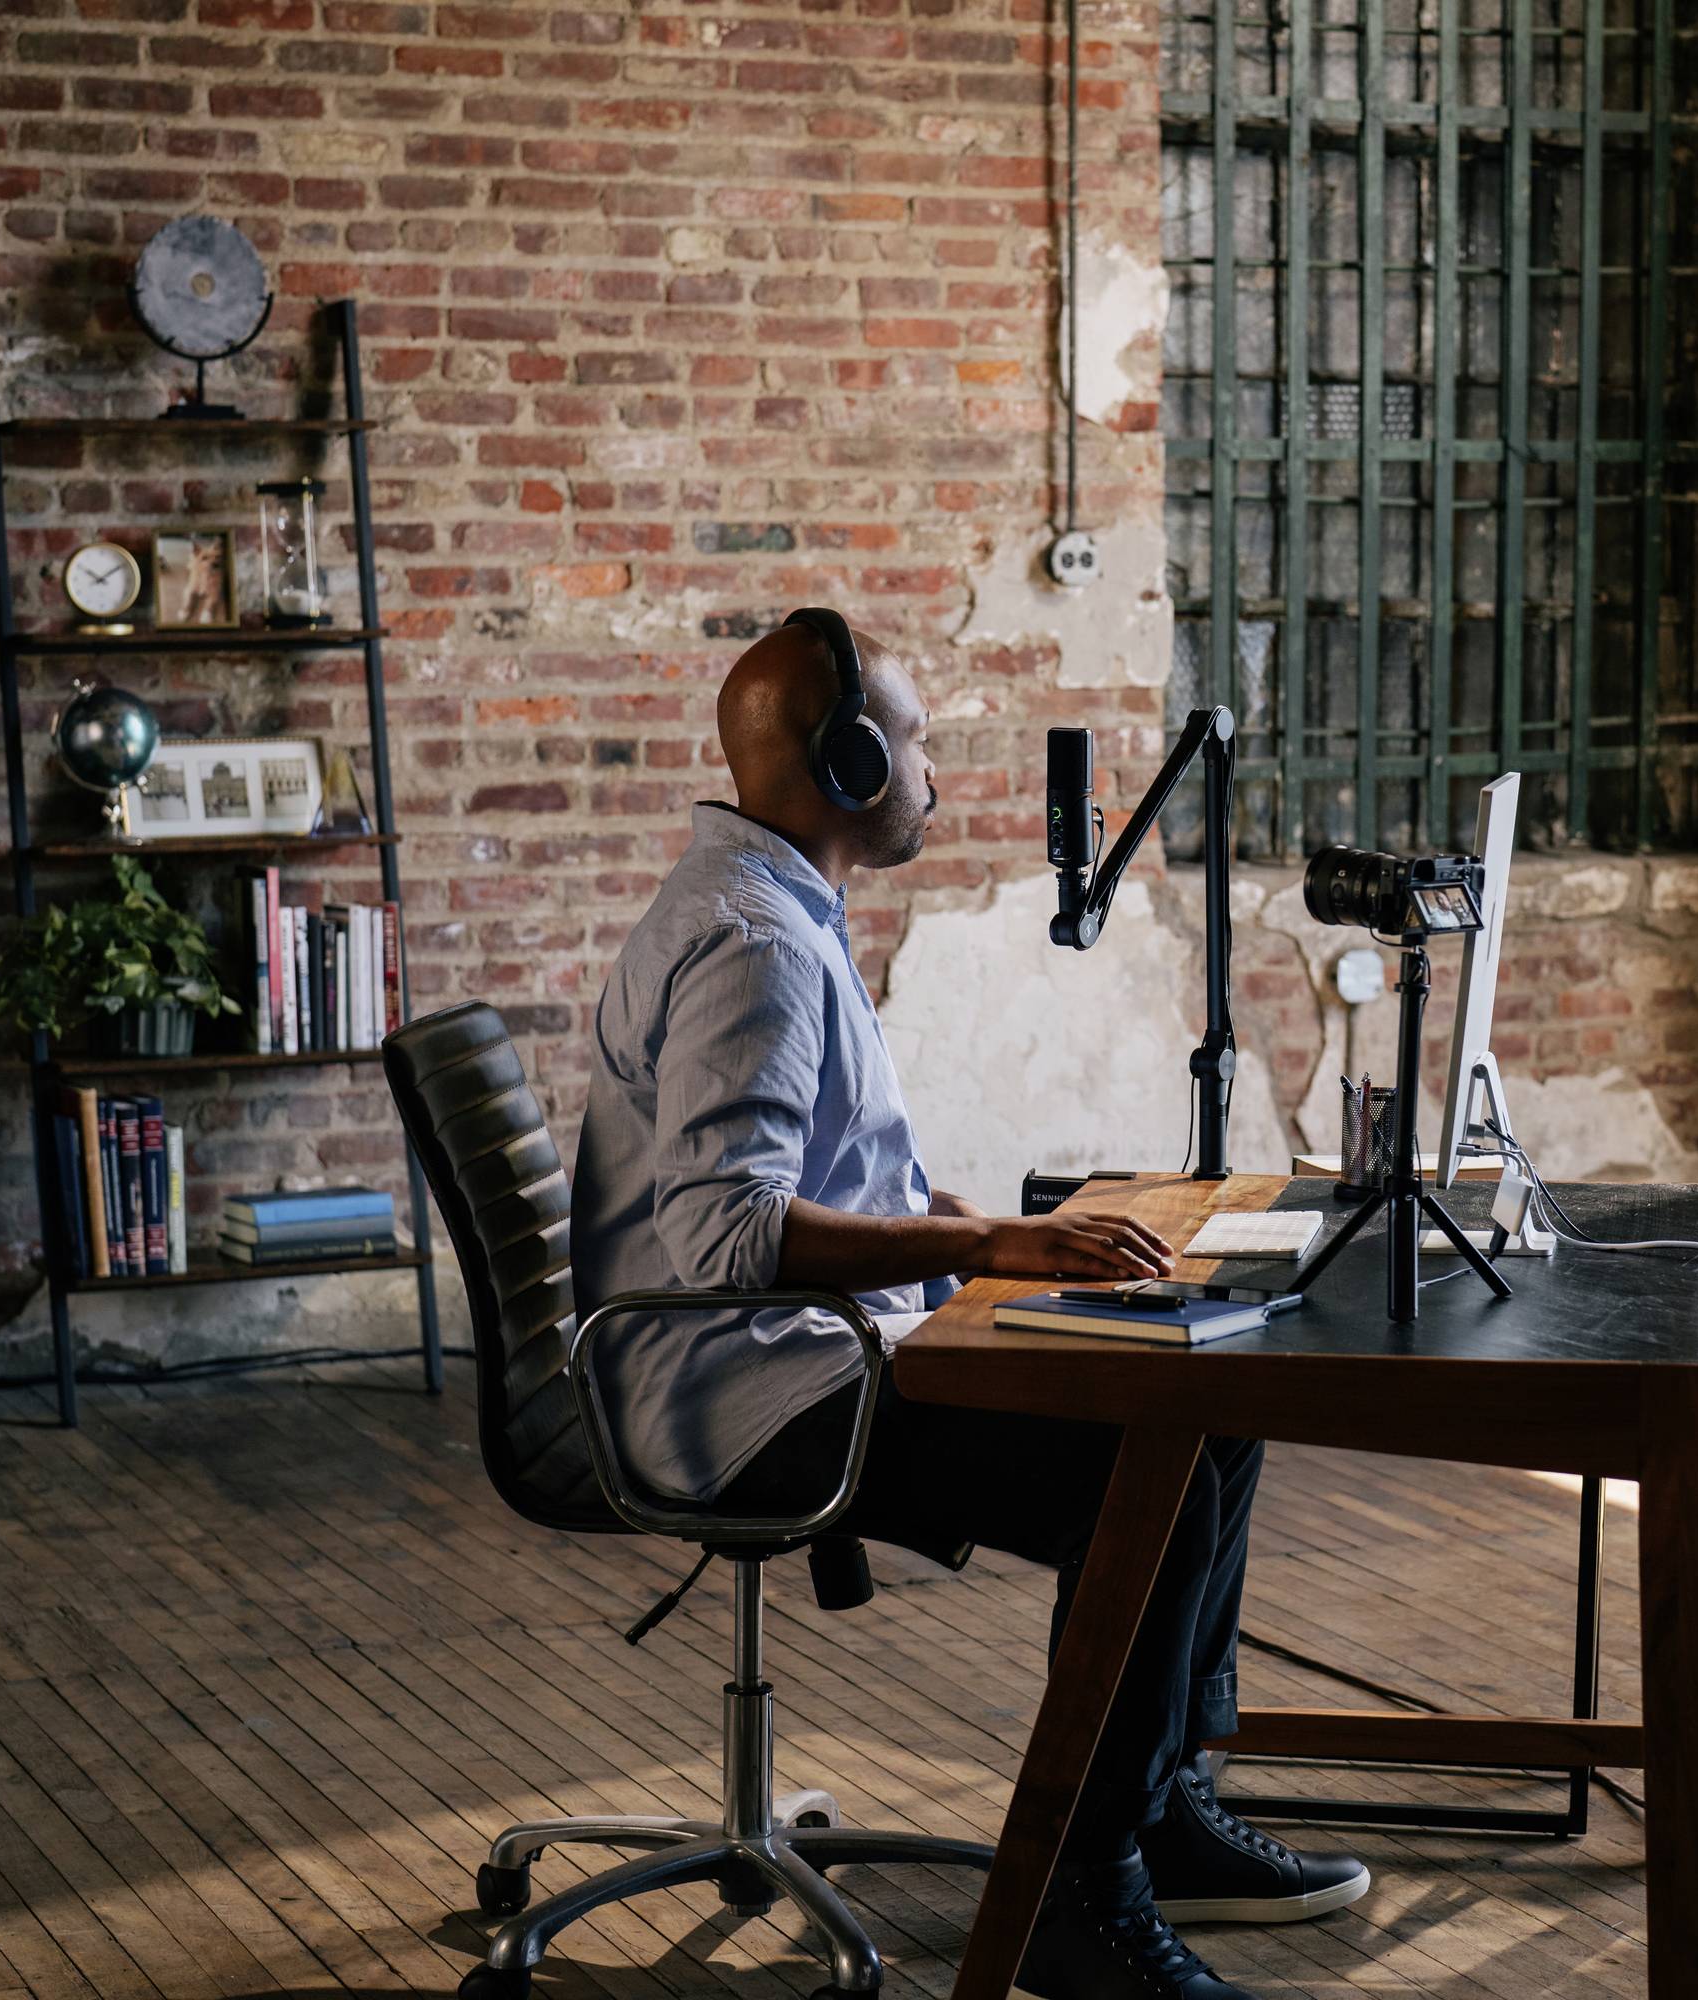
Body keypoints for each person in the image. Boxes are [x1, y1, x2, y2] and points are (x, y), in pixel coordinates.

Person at [572, 617, 1369, 2000]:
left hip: (798, 1359)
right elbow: (724, 1233)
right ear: (853, 757)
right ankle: (1086, 1893)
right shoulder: (756, 943)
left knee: (1207, 1407)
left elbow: (806, 1173)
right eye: (919, 737)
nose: (935, 768)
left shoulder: (772, 911)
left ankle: (1159, 1810)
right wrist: (998, 1241)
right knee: (1153, 1468)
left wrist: (981, 1238)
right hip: (753, 1401)